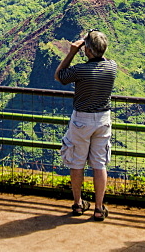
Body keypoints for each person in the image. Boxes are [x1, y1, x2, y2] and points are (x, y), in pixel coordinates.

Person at [54, 29, 118, 221]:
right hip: (103, 120)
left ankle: (78, 203)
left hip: (81, 120)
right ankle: (99, 208)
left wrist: (72, 52)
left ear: (87, 50)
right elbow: (103, 59)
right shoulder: (112, 67)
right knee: (99, 164)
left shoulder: (80, 70)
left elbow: (59, 76)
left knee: (77, 162)